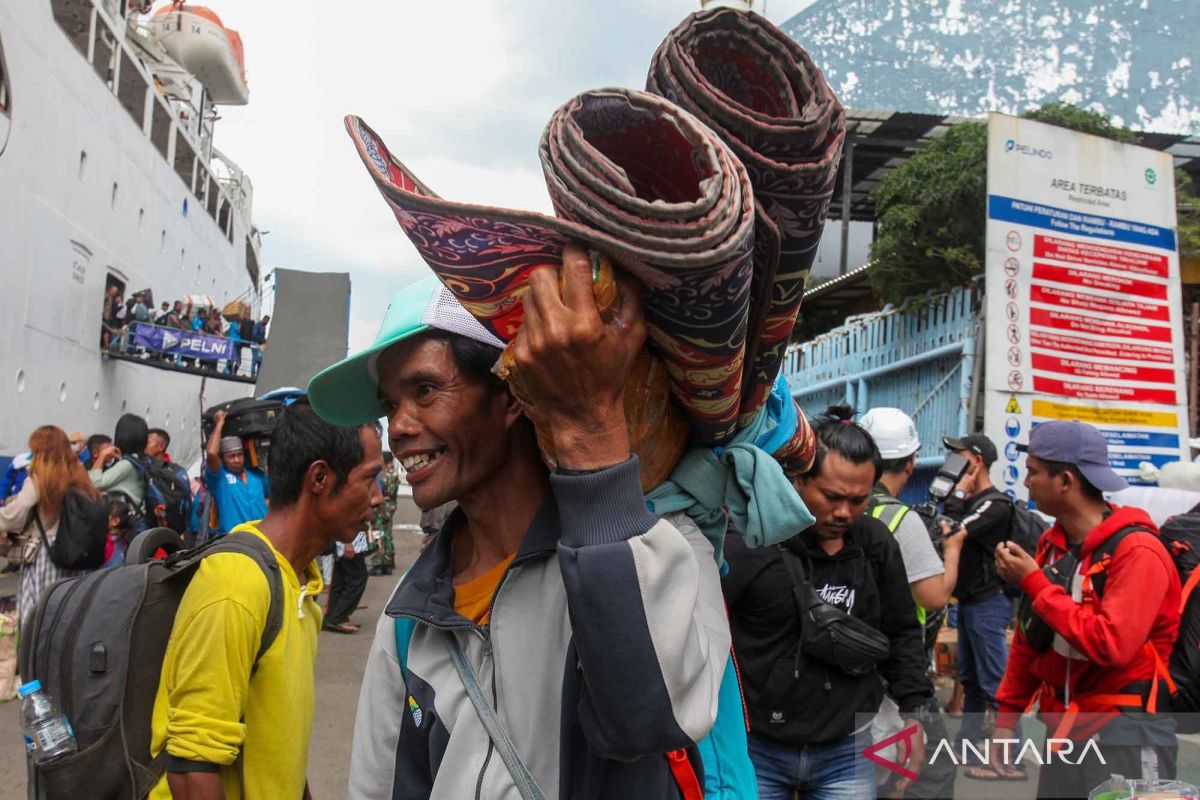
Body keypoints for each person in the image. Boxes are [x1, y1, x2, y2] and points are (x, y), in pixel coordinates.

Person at [308, 250, 728, 798]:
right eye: (391, 405)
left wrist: (591, 428)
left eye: (425, 390)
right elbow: (379, 787)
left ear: (511, 393)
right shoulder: (409, 616)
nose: (399, 427)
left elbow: (650, 720)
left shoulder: (663, 549)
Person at [148, 402, 383, 800]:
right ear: (319, 478)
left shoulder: (300, 585)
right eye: (369, 479)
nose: (377, 498)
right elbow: (191, 771)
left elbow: (276, 741)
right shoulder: (236, 585)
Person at [722, 405, 932, 800]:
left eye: (858, 500)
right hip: (757, 748)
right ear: (799, 480)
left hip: (847, 749)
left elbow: (902, 633)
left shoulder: (876, 545)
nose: (844, 513)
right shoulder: (750, 545)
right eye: (832, 497)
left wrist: (914, 714)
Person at [986, 420, 1182, 792]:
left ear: (1065, 481)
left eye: (1033, 472)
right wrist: (1006, 719)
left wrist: (1035, 584)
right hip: (1064, 733)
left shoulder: (1138, 551)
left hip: (1125, 736)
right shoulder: (1051, 546)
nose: (1026, 482)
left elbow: (1113, 644)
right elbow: (1031, 638)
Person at [860, 407, 963, 800]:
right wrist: (952, 550)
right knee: (933, 771)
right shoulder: (901, 519)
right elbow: (933, 596)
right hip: (895, 669)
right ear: (911, 462)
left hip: (852, 659)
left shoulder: (844, 506)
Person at [940, 431, 1014, 757]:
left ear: (977, 461)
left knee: (995, 683)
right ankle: (967, 748)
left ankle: (1009, 757)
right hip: (970, 601)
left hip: (989, 602)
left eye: (960, 455)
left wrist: (957, 494)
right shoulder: (973, 503)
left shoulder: (995, 505)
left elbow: (952, 533)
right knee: (970, 680)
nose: (953, 460)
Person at [0, 426, 102, 619]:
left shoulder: (41, 478)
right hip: (71, 550)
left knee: (36, 614)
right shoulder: (79, 475)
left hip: (45, 554)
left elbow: (17, 512)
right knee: (64, 612)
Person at [204, 411, 268, 536]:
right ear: (223, 458)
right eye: (231, 456)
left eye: (240, 455)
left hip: (261, 539)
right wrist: (219, 424)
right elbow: (211, 454)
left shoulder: (257, 475)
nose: (237, 460)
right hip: (234, 541)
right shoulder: (220, 479)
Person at [88, 413, 149, 515]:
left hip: (129, 520)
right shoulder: (141, 460)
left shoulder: (127, 465)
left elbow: (93, 484)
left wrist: (102, 455)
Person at [324, 529, 371, 633]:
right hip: (350, 542)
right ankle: (338, 617)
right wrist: (347, 543)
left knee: (340, 581)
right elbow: (344, 520)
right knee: (357, 578)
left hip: (350, 541)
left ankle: (331, 617)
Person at [367, 451, 399, 575]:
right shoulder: (394, 475)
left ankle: (378, 563)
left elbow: (377, 493)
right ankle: (389, 562)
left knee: (377, 534)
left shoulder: (380, 475)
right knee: (387, 534)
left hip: (380, 509)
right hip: (391, 507)